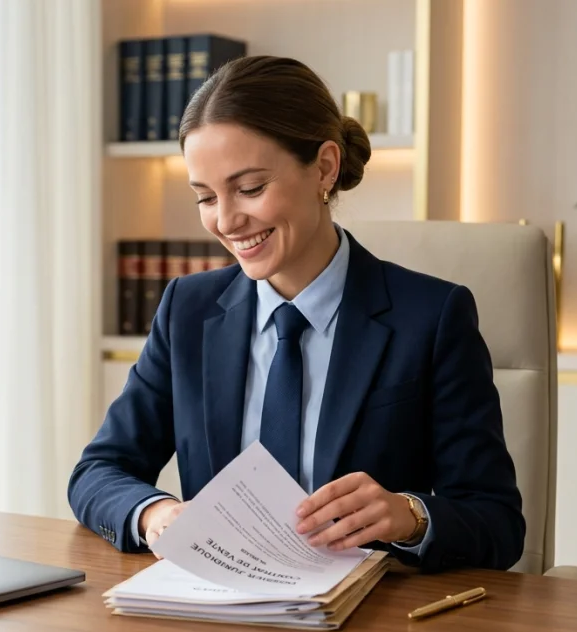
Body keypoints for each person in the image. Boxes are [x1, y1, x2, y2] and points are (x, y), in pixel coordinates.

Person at [68, 55, 524, 572]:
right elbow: (98, 471)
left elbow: (498, 525)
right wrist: (157, 513)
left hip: (369, 612)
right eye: (206, 197)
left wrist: (410, 516)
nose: (226, 221)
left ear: (325, 168)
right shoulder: (187, 311)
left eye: (250, 189)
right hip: (219, 605)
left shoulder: (432, 318)